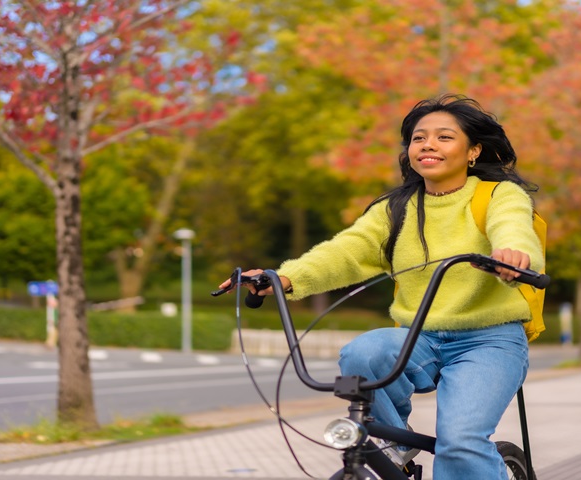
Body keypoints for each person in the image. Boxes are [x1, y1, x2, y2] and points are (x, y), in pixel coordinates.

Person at [219, 94, 543, 479]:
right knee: (362, 355)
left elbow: (513, 227)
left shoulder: (498, 196)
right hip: (417, 336)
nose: (428, 145)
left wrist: (512, 255)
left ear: (473, 151)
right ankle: (396, 452)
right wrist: (287, 278)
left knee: (460, 441)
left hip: (489, 338)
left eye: (444, 137)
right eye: (419, 138)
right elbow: (347, 251)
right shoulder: (397, 208)